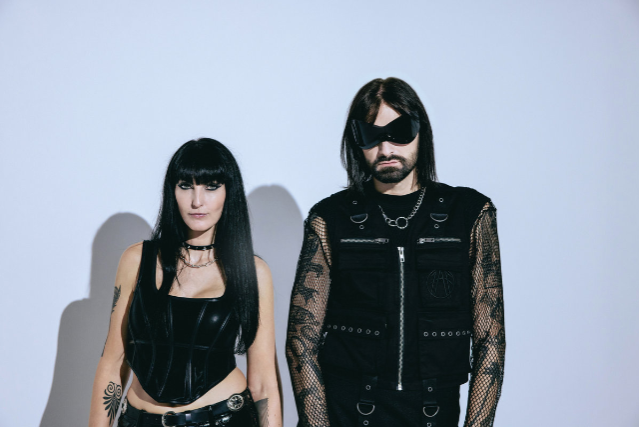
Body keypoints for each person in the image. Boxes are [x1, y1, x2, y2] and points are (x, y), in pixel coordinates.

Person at [286, 78, 505, 427]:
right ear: (356, 141)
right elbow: (301, 340)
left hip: (433, 415)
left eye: (399, 132)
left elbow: (490, 337)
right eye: (371, 136)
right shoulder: (329, 218)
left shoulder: (469, 213)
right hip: (347, 414)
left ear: (421, 131)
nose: (386, 148)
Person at [89, 138, 282, 427]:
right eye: (185, 186)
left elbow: (264, 383)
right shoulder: (137, 260)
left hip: (225, 419)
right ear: (172, 191)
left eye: (211, 186)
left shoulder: (252, 272)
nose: (197, 201)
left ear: (229, 192)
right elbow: (112, 364)